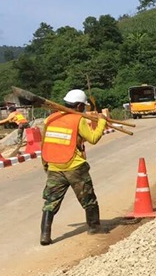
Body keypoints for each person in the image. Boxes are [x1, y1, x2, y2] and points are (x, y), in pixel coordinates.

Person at [39, 90, 107, 245]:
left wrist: (45, 165)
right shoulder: (78, 120)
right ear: (79, 106)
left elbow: (44, 144)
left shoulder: (50, 119)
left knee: (50, 202)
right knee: (88, 198)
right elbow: (93, 138)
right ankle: (94, 228)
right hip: (74, 166)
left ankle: (45, 235)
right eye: (83, 106)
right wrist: (102, 122)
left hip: (54, 166)